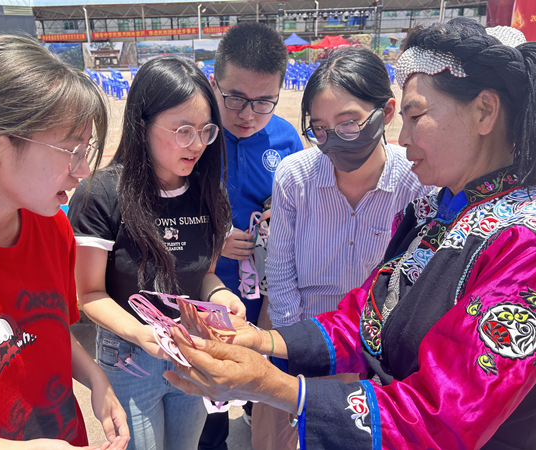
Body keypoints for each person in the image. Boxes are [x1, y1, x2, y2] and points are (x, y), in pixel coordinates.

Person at [164, 20, 536, 449]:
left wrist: (274, 384)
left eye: (416, 116)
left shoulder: (521, 244)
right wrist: (264, 339)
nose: (404, 136)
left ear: (485, 112)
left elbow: (443, 415)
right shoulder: (432, 210)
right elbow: (369, 316)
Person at [0, 35, 129, 449]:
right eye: (69, 150)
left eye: (87, 149)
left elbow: (49, 330)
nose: (82, 171)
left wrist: (96, 377)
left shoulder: (51, 225)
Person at [68, 56, 243, 450]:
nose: (197, 145)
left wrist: (220, 296)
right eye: (183, 130)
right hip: (130, 354)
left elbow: (203, 275)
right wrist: (141, 333)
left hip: (190, 348)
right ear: (142, 125)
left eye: (205, 130)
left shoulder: (207, 192)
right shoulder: (101, 194)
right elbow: (89, 294)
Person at [260, 46, 432, 449]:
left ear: (386, 113)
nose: (332, 140)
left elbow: (414, 291)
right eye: (319, 128)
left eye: (349, 124)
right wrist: (300, 358)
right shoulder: (295, 178)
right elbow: (282, 275)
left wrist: (366, 365)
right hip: (302, 344)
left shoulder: (418, 185)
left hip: (378, 358)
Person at [204, 21, 304, 449]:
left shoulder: (284, 138)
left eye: (264, 101)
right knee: (208, 386)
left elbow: (302, 209)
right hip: (206, 288)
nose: (248, 114)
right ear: (213, 83)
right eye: (235, 99)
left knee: (258, 372)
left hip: (266, 291)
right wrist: (214, 238)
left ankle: (251, 415)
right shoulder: (194, 136)